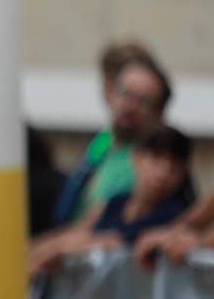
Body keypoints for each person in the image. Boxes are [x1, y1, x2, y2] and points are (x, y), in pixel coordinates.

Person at [31, 126, 194, 274]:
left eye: (174, 166)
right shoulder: (116, 202)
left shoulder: (178, 217)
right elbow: (78, 232)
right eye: (156, 159)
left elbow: (118, 246)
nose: (162, 173)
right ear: (136, 158)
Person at [49, 45, 171, 228]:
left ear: (159, 113)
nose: (130, 106)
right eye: (125, 93)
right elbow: (79, 183)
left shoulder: (157, 161)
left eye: (143, 101)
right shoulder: (106, 138)